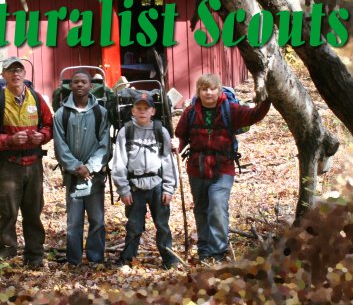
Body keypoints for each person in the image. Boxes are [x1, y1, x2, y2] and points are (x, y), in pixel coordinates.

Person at [175, 73, 271, 263]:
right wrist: (174, 147)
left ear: (219, 90)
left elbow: (254, 115)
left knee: (217, 206)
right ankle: (204, 250)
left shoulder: (230, 109)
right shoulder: (190, 112)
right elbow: (180, 134)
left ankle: (218, 251)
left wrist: (267, 98)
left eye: (212, 88)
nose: (208, 92)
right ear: (199, 91)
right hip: (197, 167)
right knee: (201, 209)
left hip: (223, 168)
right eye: (204, 89)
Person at [0, 56, 53, 268]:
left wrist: (43, 136)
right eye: (10, 70)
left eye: (19, 70)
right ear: (3, 76)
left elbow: (49, 126)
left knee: (33, 212)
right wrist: (8, 140)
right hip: (7, 165)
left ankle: (35, 257)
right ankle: (6, 258)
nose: (15, 73)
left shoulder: (36, 99)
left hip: (34, 164)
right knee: (8, 213)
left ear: (24, 74)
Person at [111, 93, 179, 269]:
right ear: (133, 111)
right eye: (138, 108)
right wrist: (123, 189)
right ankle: (128, 258)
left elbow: (167, 161)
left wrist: (169, 188)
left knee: (162, 225)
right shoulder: (126, 131)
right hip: (134, 187)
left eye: (146, 108)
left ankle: (169, 258)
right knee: (134, 226)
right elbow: (119, 162)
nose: (142, 112)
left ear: (153, 111)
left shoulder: (160, 131)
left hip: (158, 185)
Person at [53, 70, 110, 266]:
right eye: (75, 82)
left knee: (97, 220)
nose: (79, 85)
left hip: (95, 177)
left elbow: (105, 144)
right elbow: (60, 146)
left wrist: (91, 167)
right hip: (73, 176)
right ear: (70, 85)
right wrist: (77, 167)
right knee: (74, 222)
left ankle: (96, 258)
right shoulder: (62, 114)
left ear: (90, 86)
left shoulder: (100, 112)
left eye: (83, 82)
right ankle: (74, 260)